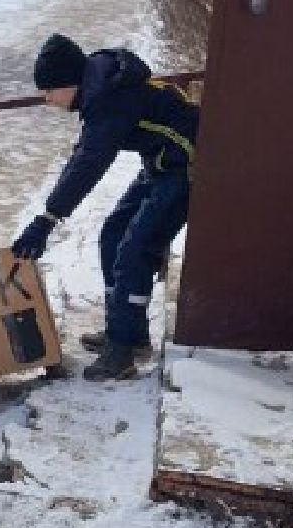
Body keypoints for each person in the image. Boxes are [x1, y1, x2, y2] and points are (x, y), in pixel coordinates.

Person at [11, 35, 199, 381]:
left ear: (70, 84)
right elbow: (81, 157)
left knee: (134, 249)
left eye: (49, 91)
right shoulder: (101, 90)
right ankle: (126, 330)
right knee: (112, 234)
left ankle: (122, 351)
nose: (46, 99)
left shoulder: (110, 99)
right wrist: (47, 217)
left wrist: (46, 222)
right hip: (161, 164)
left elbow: (89, 165)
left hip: (188, 169)